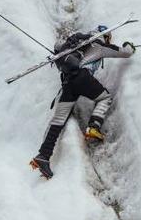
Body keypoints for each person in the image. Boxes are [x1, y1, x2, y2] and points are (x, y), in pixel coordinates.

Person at [30, 25, 135, 179]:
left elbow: (58, 47)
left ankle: (43, 156)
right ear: (105, 36)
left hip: (68, 82)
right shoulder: (99, 45)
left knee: (58, 120)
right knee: (105, 97)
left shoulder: (75, 45)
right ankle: (93, 126)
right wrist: (129, 46)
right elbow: (125, 53)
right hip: (83, 77)